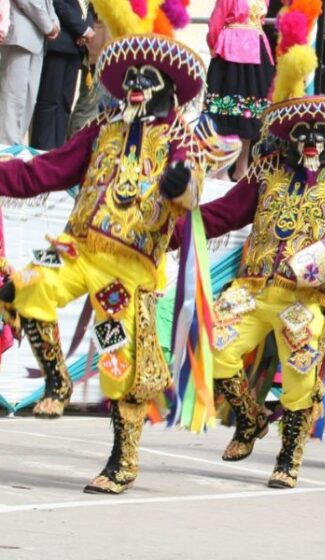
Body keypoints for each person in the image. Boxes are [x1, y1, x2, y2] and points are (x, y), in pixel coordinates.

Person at [0, 0, 205, 494]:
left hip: (128, 268)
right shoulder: (102, 128)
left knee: (120, 362)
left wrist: (180, 185)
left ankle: (123, 458)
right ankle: (58, 381)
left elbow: (192, 195)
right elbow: (46, 171)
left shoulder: (180, 134)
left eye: (146, 76)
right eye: (130, 74)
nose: (135, 83)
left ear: (166, 85)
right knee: (22, 288)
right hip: (78, 247)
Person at [171, 0, 325, 489]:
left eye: (319, 133)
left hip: (303, 295)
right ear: (290, 136)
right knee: (212, 350)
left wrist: (308, 265)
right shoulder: (268, 171)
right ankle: (253, 417)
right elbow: (228, 211)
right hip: (254, 286)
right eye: (303, 131)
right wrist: (177, 231)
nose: (311, 139)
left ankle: (289, 454)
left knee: (302, 373)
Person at [204, 0, 274, 180]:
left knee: (250, 113)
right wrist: (215, 46)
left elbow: (261, 20)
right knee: (227, 112)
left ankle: (241, 167)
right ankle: (221, 169)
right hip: (232, 54)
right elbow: (217, 21)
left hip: (257, 53)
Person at [29, 0, 94, 150]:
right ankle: (41, 151)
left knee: (65, 103)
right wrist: (82, 28)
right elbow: (58, 4)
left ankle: (58, 151)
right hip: (59, 42)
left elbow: (90, 7)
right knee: (49, 101)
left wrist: (87, 29)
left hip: (76, 47)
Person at [0, 0, 59, 145]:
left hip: (37, 39)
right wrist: (48, 25)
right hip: (19, 35)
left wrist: (55, 23)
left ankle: (14, 148)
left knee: (28, 100)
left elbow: (48, 3)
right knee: (13, 99)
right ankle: (5, 151)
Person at [67, 14, 108, 137]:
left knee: (104, 110)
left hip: (116, 49)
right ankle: (73, 148)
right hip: (100, 46)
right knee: (89, 107)